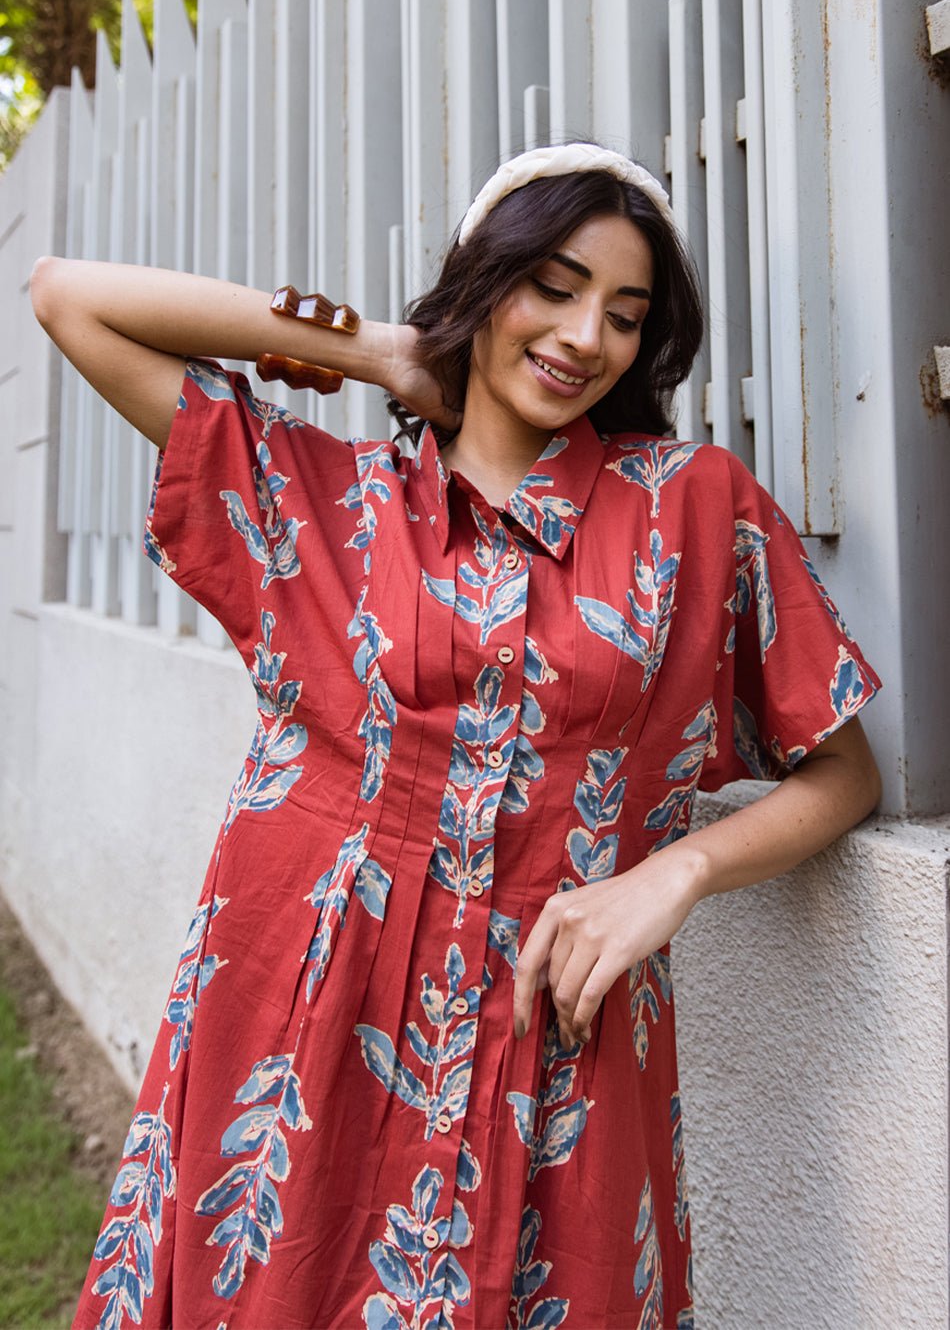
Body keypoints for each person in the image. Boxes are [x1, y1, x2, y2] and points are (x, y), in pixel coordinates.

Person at [32, 143, 881, 1330]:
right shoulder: (324, 499)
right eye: (551, 284)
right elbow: (70, 297)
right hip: (301, 1030)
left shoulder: (690, 508)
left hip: (559, 1047)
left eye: (624, 315)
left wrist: (671, 874)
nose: (586, 336)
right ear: (484, 282)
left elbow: (842, 773)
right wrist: (387, 350)